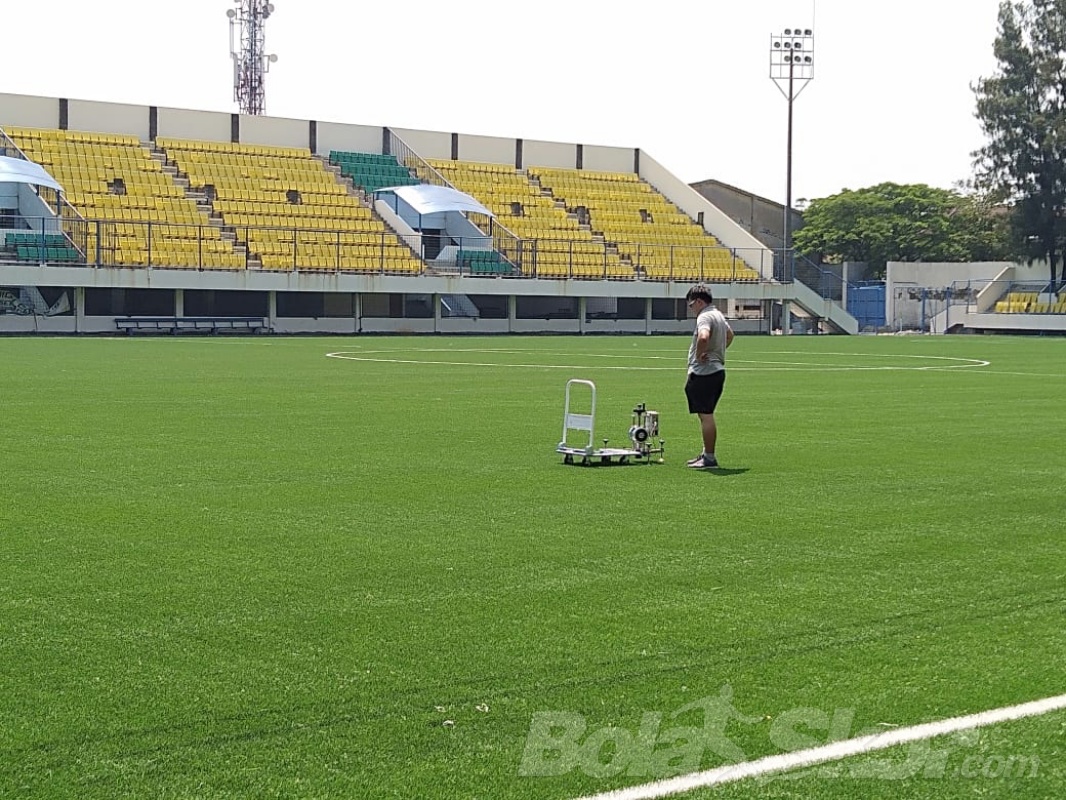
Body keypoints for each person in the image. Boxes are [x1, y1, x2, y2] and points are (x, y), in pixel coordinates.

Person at [684, 285, 734, 469]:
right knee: (707, 415)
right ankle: (706, 454)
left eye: (691, 305)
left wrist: (699, 355)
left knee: (706, 416)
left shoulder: (704, 316)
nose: (692, 309)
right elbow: (730, 335)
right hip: (717, 370)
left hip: (704, 372)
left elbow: (703, 337)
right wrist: (717, 352)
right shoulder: (719, 315)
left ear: (698, 301)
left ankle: (709, 458)